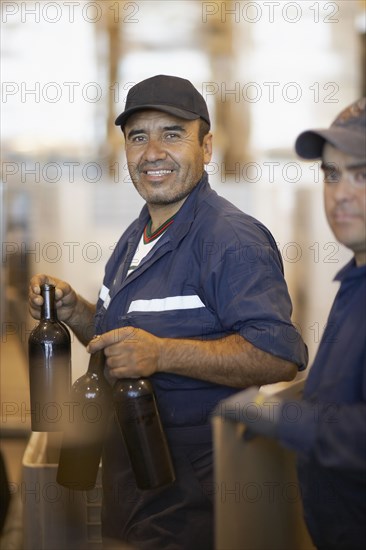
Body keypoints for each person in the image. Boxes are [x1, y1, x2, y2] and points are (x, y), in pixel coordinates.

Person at [29, 74, 308, 550]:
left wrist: (162, 355)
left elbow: (278, 354)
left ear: (207, 146)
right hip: (132, 479)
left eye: (172, 134)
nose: (152, 151)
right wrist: (77, 313)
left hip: (193, 497)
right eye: (139, 137)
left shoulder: (231, 240)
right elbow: (121, 344)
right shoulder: (134, 236)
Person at [223, 98, 366, 550]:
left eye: (362, 174)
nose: (341, 193)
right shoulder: (355, 282)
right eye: (331, 174)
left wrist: (285, 418)